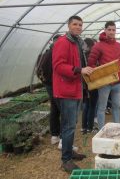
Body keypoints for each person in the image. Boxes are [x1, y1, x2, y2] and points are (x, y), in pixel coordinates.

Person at [52, 16, 94, 172]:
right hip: (66, 90)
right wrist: (79, 70)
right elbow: (58, 66)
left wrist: (86, 69)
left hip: (76, 88)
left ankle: (70, 152)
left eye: (80, 25)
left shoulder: (77, 42)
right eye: (75, 24)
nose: (78, 27)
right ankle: (66, 160)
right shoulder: (63, 42)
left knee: (70, 124)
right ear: (68, 25)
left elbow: (80, 63)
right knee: (69, 126)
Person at [88, 21, 120, 130]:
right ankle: (101, 130)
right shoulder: (98, 46)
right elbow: (91, 63)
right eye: (109, 29)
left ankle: (117, 127)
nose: (111, 32)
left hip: (117, 82)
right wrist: (100, 75)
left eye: (113, 30)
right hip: (105, 83)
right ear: (105, 30)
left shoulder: (119, 46)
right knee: (102, 107)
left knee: (116, 106)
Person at [36, 34, 61, 145]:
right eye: (59, 42)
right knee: (58, 108)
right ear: (54, 42)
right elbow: (40, 71)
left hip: (52, 85)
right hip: (52, 85)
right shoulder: (50, 54)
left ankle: (55, 135)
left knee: (55, 108)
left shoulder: (51, 52)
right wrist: (49, 83)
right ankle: (56, 135)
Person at [81, 38, 98, 134]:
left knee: (86, 105)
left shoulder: (82, 55)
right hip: (91, 83)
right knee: (92, 106)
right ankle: (90, 128)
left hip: (84, 85)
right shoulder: (92, 56)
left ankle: (84, 127)